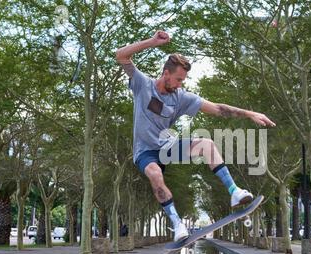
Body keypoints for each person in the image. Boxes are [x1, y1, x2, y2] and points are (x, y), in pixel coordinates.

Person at [116, 31, 276, 242]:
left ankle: (234, 191)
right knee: (155, 174)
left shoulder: (182, 97)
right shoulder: (142, 84)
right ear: (166, 73)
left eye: (183, 80)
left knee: (207, 144)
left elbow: (218, 109)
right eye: (178, 79)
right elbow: (121, 55)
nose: (181, 84)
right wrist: (153, 42)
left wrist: (250, 113)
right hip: (145, 151)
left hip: (167, 146)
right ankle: (177, 224)